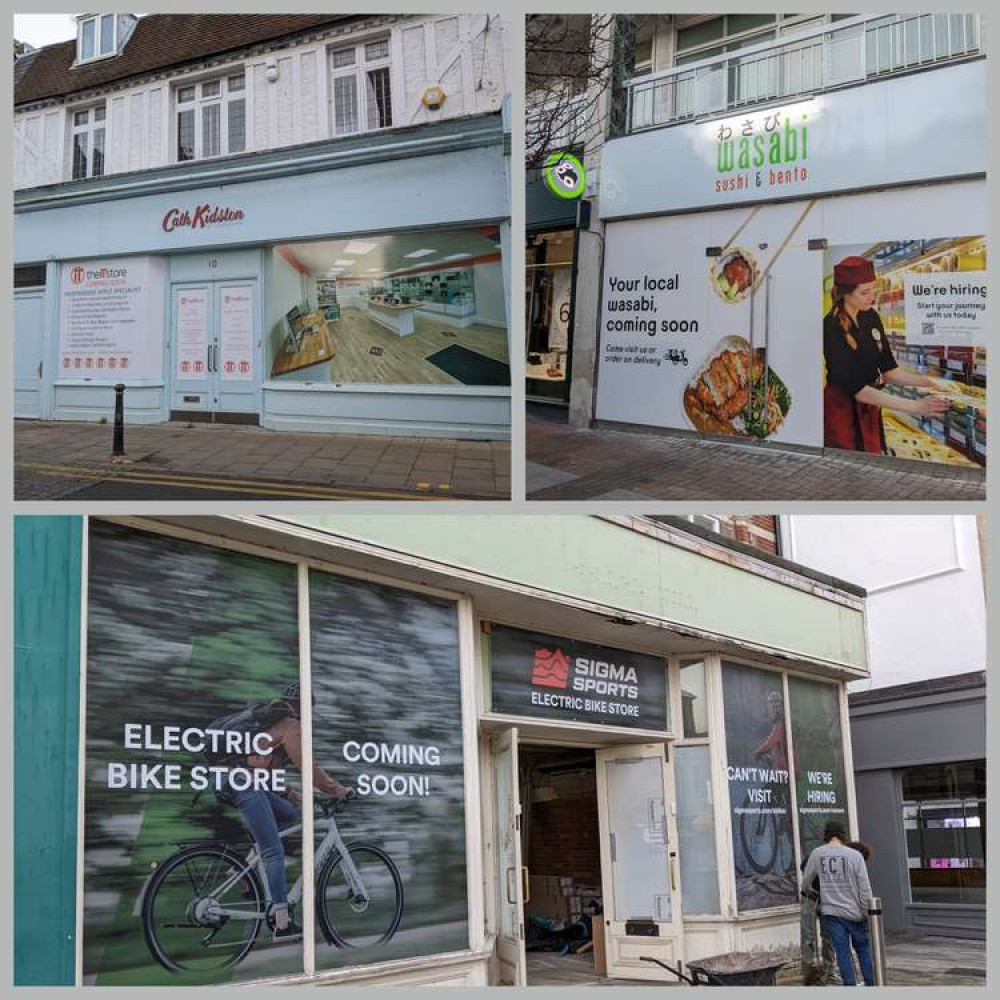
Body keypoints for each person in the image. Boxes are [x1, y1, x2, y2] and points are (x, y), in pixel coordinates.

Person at [210, 682, 352, 937]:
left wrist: (289, 794)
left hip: (227, 779)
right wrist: (336, 790)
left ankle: (241, 868)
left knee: (288, 813)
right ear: (305, 708)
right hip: (242, 782)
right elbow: (308, 766)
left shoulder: (267, 723)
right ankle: (282, 921)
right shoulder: (290, 725)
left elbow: (265, 769)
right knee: (273, 850)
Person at [823, 255, 949, 454]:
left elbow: (889, 370)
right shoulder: (831, 327)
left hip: (870, 408)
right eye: (865, 292)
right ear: (846, 294)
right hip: (843, 413)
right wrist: (916, 406)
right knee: (847, 471)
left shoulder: (871, 317)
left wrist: (931, 382)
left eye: (873, 289)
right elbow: (859, 391)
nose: (872, 297)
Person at [801, 820, 875, 987]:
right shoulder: (855, 856)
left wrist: (810, 892)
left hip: (832, 913)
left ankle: (849, 985)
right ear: (843, 835)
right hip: (855, 912)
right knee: (863, 948)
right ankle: (871, 984)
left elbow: (806, 881)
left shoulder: (817, 853)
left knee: (842, 952)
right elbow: (865, 889)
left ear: (826, 835)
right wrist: (866, 913)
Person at [799, 851, 837, 985]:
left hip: (827, 899)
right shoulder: (814, 856)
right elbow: (804, 869)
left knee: (829, 937)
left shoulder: (839, 859)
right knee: (808, 937)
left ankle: (830, 971)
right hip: (810, 897)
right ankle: (809, 973)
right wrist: (807, 887)